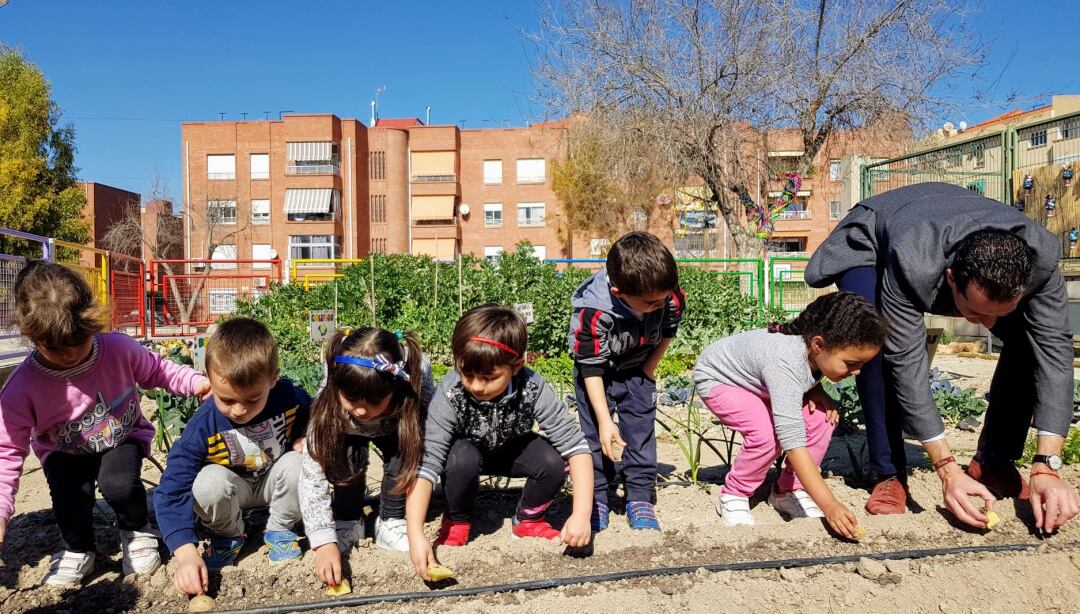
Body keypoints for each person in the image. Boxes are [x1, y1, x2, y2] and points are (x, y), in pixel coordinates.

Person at [806, 182, 1080, 532]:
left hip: (949, 221)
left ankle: (993, 461)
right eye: (977, 313)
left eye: (998, 313)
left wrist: (1046, 465)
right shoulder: (915, 262)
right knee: (873, 342)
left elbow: (1055, 353)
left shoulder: (1040, 263)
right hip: (875, 239)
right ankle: (888, 472)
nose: (989, 325)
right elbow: (907, 361)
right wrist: (947, 468)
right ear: (950, 279)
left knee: (1028, 339)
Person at [0, 261, 209, 586]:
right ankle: (78, 548)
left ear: (91, 323)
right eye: (56, 349)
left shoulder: (117, 349)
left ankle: (135, 529)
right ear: (33, 336)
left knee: (119, 483)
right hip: (63, 451)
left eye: (78, 342)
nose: (69, 355)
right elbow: (7, 452)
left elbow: (159, 371)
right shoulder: (23, 387)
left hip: (120, 437)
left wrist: (198, 384)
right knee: (68, 492)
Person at [406, 304, 593, 580]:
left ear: (517, 366)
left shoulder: (532, 387)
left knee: (553, 462)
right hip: (466, 454)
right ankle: (457, 519)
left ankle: (529, 518)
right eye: (467, 375)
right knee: (459, 459)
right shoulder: (451, 392)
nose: (476, 386)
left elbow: (576, 447)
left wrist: (581, 515)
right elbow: (427, 465)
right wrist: (416, 535)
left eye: (489, 378)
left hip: (511, 447)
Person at [694, 292, 888, 538]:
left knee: (822, 418)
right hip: (721, 380)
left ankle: (786, 490)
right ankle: (734, 493)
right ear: (818, 344)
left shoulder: (810, 351)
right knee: (766, 434)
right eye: (850, 364)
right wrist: (830, 505)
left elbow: (803, 371)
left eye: (862, 364)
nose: (857, 372)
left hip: (760, 382)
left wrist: (817, 389)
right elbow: (792, 442)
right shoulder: (785, 364)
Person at [154, 318, 311, 597]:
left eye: (252, 399)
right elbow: (171, 490)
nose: (239, 410)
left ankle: (279, 528)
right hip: (231, 492)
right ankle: (228, 535)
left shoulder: (287, 396)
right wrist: (186, 554)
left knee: (300, 463)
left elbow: (315, 412)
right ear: (210, 378)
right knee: (207, 483)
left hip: (271, 485)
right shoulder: (203, 426)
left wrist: (303, 434)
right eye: (226, 400)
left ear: (273, 379)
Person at [568, 231, 685, 531]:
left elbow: (669, 330)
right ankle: (597, 496)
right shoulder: (593, 311)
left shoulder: (667, 297)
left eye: (663, 299)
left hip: (638, 369)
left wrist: (649, 368)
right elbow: (590, 365)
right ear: (619, 293)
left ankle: (639, 496)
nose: (660, 305)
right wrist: (606, 420)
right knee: (595, 438)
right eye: (650, 303)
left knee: (641, 433)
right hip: (597, 377)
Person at [301, 327, 434, 588]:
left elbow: (431, 413)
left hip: (395, 426)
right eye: (351, 399)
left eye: (374, 401)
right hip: (346, 432)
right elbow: (311, 474)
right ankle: (348, 520)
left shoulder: (417, 370)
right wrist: (323, 542)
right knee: (344, 458)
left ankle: (391, 522)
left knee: (407, 448)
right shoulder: (330, 400)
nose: (361, 409)